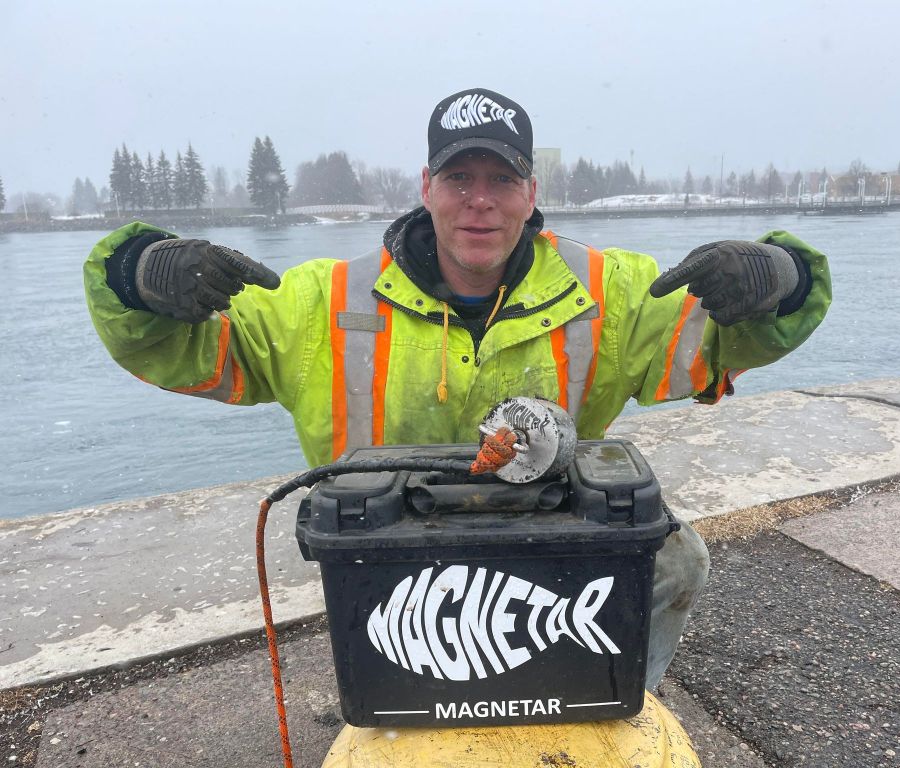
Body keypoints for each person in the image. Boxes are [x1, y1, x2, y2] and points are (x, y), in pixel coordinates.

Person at [84, 87, 831, 690]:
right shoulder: (318, 301)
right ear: (426, 187)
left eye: (501, 179)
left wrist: (781, 280)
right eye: (459, 178)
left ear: (531, 191)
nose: (481, 200)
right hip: (388, 546)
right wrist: (138, 276)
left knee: (677, 559)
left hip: (550, 534)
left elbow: (722, 344)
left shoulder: (612, 291)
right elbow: (184, 352)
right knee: (408, 682)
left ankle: (614, 700)